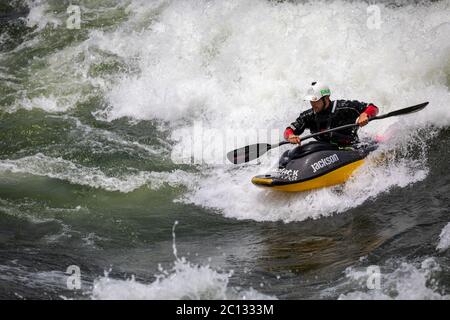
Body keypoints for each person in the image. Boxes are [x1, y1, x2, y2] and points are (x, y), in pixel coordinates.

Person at [284, 82, 379, 146]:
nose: (313, 104)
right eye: (311, 101)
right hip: (325, 152)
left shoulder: (344, 107)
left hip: (350, 148)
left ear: (326, 98)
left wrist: (365, 114)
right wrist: (291, 136)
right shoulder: (308, 116)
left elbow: (373, 108)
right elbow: (289, 130)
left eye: (315, 100)